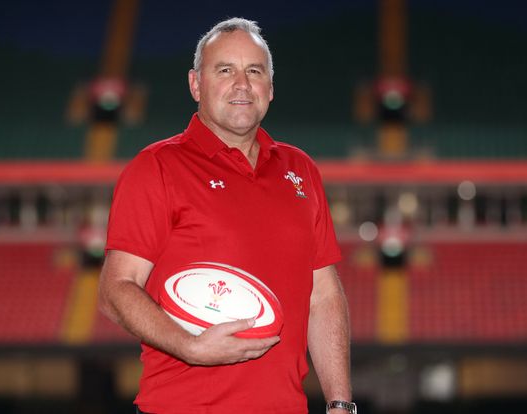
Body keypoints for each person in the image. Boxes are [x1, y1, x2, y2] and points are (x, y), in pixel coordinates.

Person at [98, 17, 354, 414]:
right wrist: (190, 347)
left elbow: (323, 297)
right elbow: (116, 288)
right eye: (225, 70)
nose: (242, 84)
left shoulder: (300, 169)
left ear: (270, 87)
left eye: (254, 71)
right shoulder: (157, 168)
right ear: (195, 84)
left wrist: (340, 403)